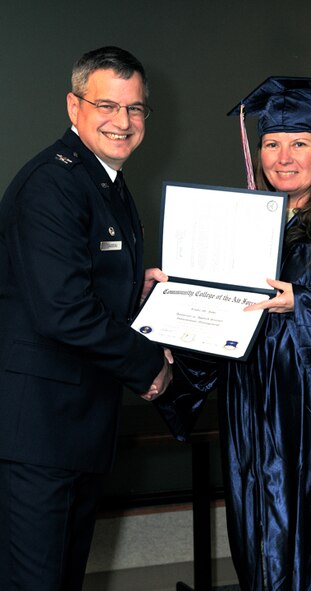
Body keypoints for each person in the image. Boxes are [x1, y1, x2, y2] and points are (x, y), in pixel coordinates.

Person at [157, 77, 311, 590]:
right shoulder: (241, 225)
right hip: (254, 409)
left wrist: (301, 303)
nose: (283, 157)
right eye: (271, 143)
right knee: (259, 537)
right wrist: (172, 300)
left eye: (299, 143)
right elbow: (217, 323)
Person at [0, 46, 172, 590]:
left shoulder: (106, 183)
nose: (123, 122)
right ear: (73, 106)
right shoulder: (53, 182)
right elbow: (64, 312)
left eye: (136, 108)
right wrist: (147, 364)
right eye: (107, 105)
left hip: (74, 429)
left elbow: (81, 283)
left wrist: (133, 289)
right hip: (39, 433)